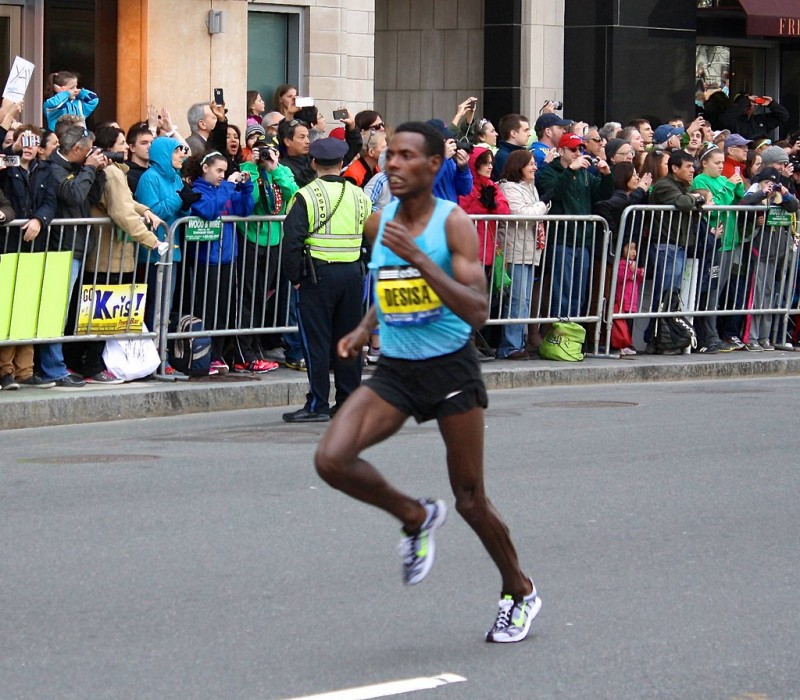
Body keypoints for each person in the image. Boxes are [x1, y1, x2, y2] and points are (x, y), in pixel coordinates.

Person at [314, 121, 540, 644]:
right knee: (331, 459)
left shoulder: (453, 224)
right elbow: (390, 285)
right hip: (396, 369)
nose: (393, 163)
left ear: (433, 166)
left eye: (406, 156)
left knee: (470, 499)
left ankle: (520, 591)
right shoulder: (378, 223)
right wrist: (364, 327)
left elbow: (478, 310)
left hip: (449, 368)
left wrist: (420, 259)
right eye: (389, 155)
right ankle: (415, 516)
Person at [64, 125, 166, 384]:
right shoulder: (110, 172)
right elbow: (122, 212)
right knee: (100, 314)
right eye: (121, 143)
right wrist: (152, 241)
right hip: (108, 255)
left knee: (101, 313)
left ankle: (83, 363)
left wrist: (145, 211)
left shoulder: (115, 172)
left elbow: (128, 203)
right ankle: (91, 366)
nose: (124, 148)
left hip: (112, 254)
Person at [280, 137, 372, 422]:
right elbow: (371, 237)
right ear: (343, 164)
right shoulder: (360, 196)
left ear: (313, 163)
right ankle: (348, 402)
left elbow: (292, 241)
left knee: (316, 342)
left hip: (318, 277)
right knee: (348, 341)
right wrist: (362, 268)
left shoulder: (306, 196)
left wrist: (295, 278)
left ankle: (318, 403)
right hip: (353, 277)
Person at [187, 151, 255, 374]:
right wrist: (228, 185)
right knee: (206, 309)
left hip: (228, 257)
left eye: (224, 171)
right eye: (218, 170)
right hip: (206, 259)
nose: (222, 175)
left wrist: (245, 187)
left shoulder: (224, 190)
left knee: (224, 310)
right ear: (205, 168)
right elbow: (208, 210)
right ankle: (204, 355)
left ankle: (219, 354)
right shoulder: (198, 190)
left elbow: (244, 209)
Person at [237, 138, 299, 371]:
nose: (265, 156)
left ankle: (257, 346)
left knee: (263, 297)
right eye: (261, 152)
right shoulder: (246, 170)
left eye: (270, 151)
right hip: (251, 239)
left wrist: (274, 168)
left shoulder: (283, 171)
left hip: (275, 239)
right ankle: (246, 352)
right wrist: (253, 168)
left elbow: (294, 195)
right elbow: (250, 201)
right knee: (248, 296)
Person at [537, 132, 613, 318]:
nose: (578, 153)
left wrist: (606, 175)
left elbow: (603, 195)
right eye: (573, 149)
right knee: (562, 291)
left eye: (580, 149)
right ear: (561, 151)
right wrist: (570, 170)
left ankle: (572, 336)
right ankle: (559, 334)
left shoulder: (584, 173)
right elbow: (554, 193)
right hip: (561, 239)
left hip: (583, 240)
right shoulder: (549, 171)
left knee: (579, 293)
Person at [739, 167, 799, 350]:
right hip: (760, 253)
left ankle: (765, 336)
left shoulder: (779, 198)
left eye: (773, 184)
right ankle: (751, 337)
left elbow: (794, 206)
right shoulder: (755, 193)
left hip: (777, 254)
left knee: (770, 296)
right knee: (756, 296)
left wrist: (785, 193)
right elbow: (742, 205)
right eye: (767, 183)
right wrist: (761, 194)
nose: (770, 187)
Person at [496, 149, 548, 358]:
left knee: (525, 300)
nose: (535, 167)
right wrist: (543, 204)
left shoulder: (531, 188)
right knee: (517, 300)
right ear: (519, 167)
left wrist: (540, 204)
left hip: (529, 249)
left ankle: (518, 343)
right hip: (515, 249)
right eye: (531, 164)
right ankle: (510, 346)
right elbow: (522, 214)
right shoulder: (509, 188)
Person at [613, 239, 643, 355]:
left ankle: (628, 343)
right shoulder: (621, 263)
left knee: (630, 324)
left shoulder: (633, 264)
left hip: (632, 302)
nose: (633, 252)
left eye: (634, 249)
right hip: (623, 300)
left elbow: (639, 280)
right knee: (622, 324)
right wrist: (631, 271)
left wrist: (640, 273)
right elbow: (620, 277)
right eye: (630, 248)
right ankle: (622, 344)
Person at [719, 94, 790, 141]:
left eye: (751, 103)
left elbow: (783, 116)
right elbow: (724, 119)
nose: (748, 106)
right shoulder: (733, 121)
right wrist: (745, 101)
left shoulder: (760, 120)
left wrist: (771, 104)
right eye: (746, 104)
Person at [492, 114, 532, 180]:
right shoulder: (503, 157)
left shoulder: (522, 154)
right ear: (513, 133)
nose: (529, 134)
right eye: (525, 130)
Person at [124, 122, 153, 193]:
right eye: (144, 143)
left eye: (152, 143)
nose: (150, 147)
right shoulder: (127, 174)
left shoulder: (155, 171)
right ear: (132, 147)